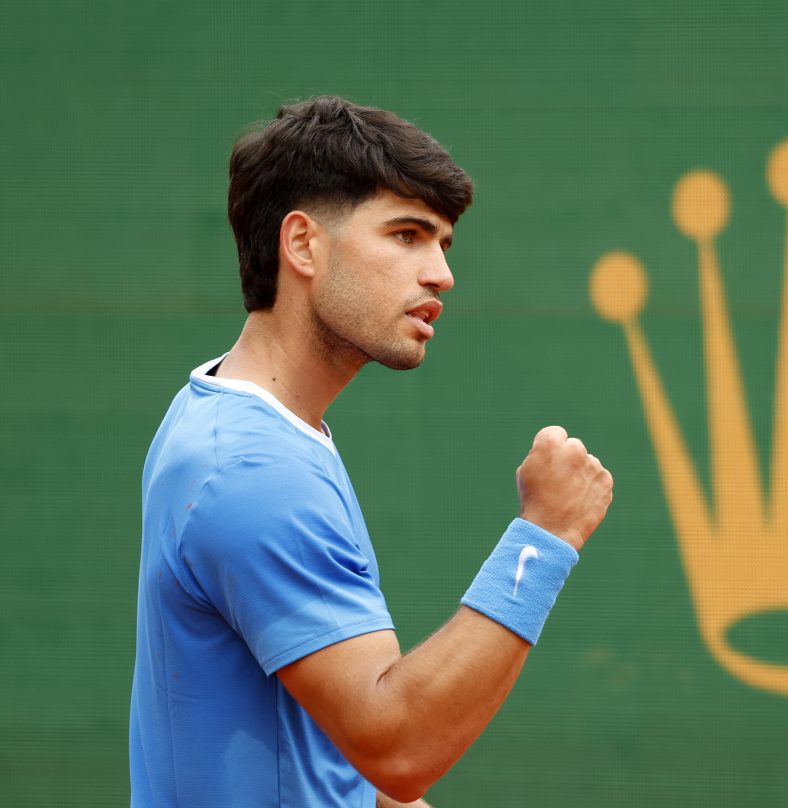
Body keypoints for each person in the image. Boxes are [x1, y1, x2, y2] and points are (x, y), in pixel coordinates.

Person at [129, 96, 614, 808]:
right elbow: (397, 745)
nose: (440, 273)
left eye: (443, 244)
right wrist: (545, 536)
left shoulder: (242, 420)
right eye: (407, 234)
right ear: (302, 245)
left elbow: (330, 745)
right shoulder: (253, 473)